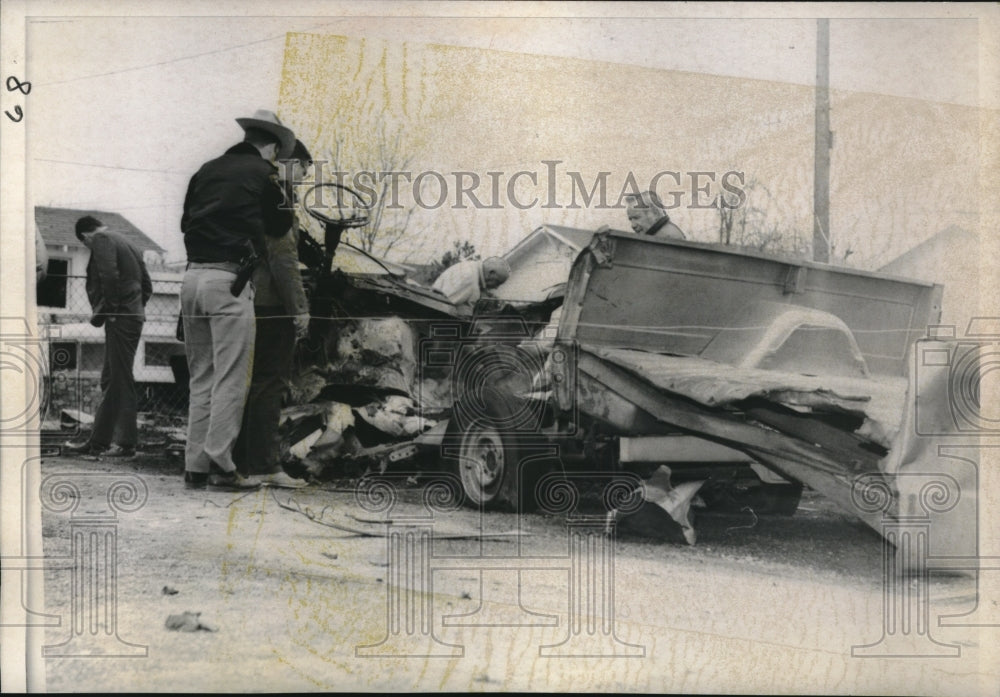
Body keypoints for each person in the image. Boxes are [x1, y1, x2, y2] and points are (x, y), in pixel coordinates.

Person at [179, 109, 296, 491]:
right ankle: (222, 465)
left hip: (192, 278)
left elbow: (185, 222)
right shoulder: (265, 175)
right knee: (232, 379)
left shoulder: (205, 169)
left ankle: (195, 466)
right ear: (273, 147)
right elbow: (281, 225)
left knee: (202, 377)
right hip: (230, 281)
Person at [232, 139, 312, 488]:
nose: (305, 179)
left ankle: (244, 460)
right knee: (270, 382)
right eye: (304, 171)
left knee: (252, 383)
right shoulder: (278, 199)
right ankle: (265, 464)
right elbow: (283, 260)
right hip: (272, 302)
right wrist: (300, 309)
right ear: (289, 163)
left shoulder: (254, 194)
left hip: (250, 299)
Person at [64, 216, 152, 457]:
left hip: (120, 316)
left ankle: (125, 444)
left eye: (85, 245)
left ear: (85, 237)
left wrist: (111, 310)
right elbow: (147, 285)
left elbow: (108, 276)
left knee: (119, 379)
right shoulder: (129, 242)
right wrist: (135, 308)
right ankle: (99, 441)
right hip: (132, 316)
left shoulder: (101, 240)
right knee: (111, 378)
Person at [431, 256, 510, 311]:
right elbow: (443, 306)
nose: (496, 287)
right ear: (491, 273)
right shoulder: (470, 279)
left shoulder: (470, 266)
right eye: (498, 282)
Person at [621, 190, 686, 239]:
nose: (633, 225)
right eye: (630, 219)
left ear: (655, 214)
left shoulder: (669, 237)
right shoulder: (657, 236)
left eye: (636, 218)